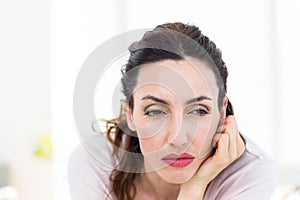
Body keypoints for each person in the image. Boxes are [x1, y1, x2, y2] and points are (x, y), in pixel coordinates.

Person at [68, 22, 276, 200]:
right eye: (155, 111)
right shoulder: (96, 163)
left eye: (199, 111)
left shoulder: (248, 173)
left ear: (222, 115)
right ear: (130, 114)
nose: (178, 138)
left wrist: (196, 185)